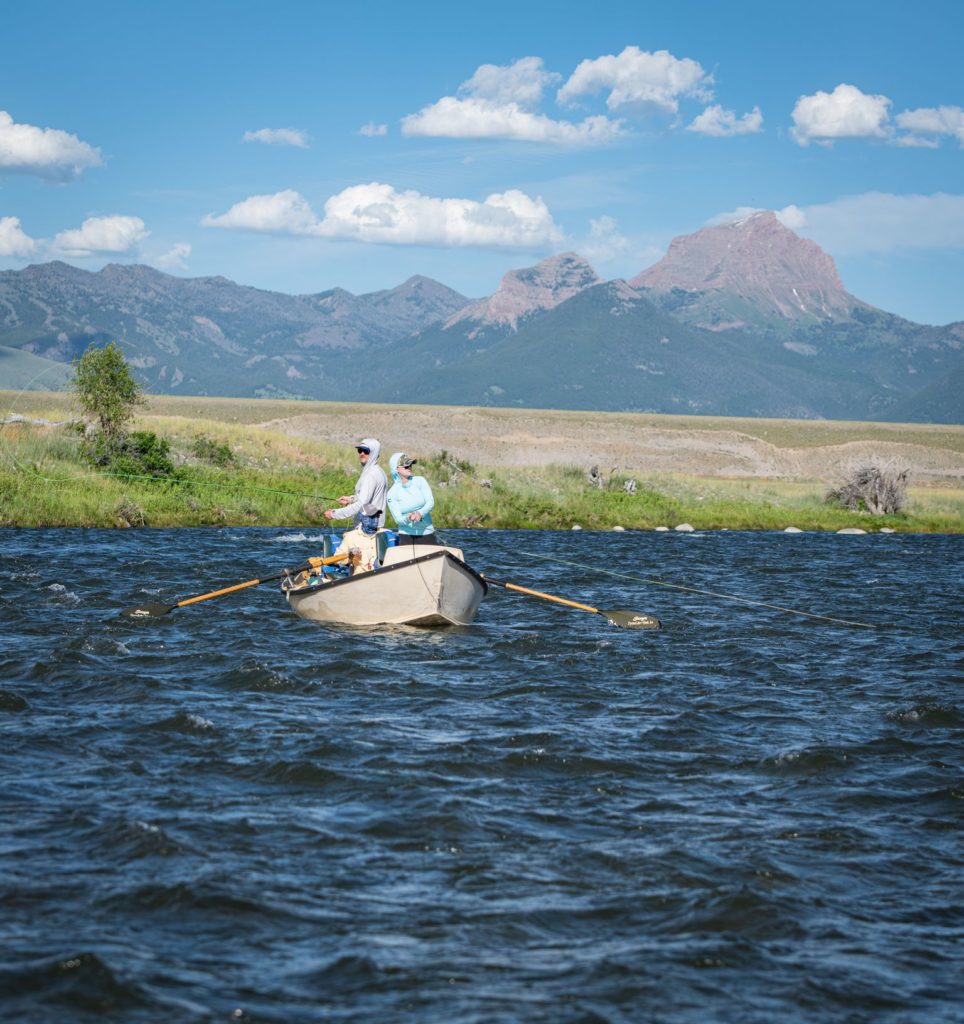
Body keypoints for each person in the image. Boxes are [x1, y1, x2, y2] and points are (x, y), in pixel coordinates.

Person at [323, 438, 388, 574]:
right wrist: (350, 499)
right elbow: (368, 498)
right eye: (360, 450)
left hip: (365, 532)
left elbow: (361, 504)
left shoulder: (370, 475)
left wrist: (334, 514)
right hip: (376, 531)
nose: (361, 454)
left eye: (366, 451)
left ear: (374, 453)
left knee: (350, 564)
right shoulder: (379, 471)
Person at [387, 452, 439, 548]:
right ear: (396, 469)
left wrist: (420, 513)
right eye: (406, 466)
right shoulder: (391, 494)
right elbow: (398, 519)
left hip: (427, 533)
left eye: (410, 465)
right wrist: (407, 518)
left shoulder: (420, 481)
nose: (410, 467)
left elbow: (430, 502)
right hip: (406, 536)